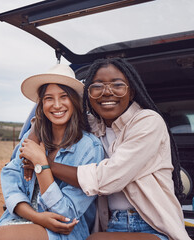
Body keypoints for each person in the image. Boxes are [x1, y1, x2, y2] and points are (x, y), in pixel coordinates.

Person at [24, 58, 190, 240]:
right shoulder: (95, 126)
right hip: (112, 225)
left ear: (131, 91)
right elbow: (52, 116)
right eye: (97, 87)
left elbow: (109, 178)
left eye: (117, 85)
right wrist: (31, 144)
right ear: (88, 95)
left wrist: (44, 164)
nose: (107, 93)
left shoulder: (148, 121)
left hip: (155, 227)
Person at [0, 64, 104, 240]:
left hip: (61, 232)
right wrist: (36, 217)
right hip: (19, 221)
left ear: (74, 101)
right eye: (49, 98)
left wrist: (41, 164)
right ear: (42, 103)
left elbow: (66, 214)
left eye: (64, 97)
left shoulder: (89, 147)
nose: (57, 105)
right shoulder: (30, 140)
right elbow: (11, 186)